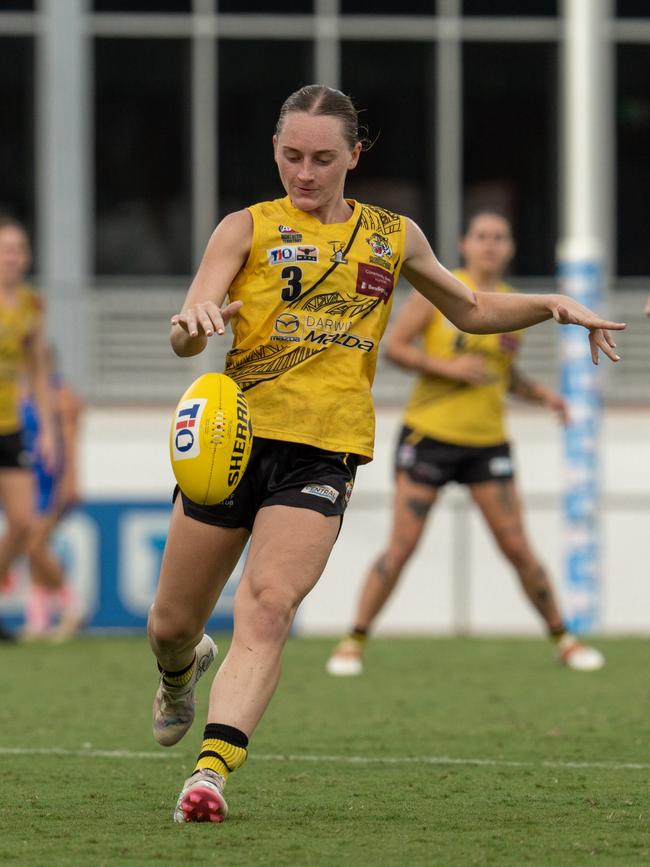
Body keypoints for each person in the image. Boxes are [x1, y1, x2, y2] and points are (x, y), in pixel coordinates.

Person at [146, 84, 624, 825]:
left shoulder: (393, 235)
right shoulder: (244, 228)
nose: (305, 173)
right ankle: (179, 673)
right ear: (275, 151)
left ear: (354, 156)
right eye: (292, 156)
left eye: (323, 158)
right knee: (171, 624)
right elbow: (189, 324)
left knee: (268, 605)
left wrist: (552, 306)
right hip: (230, 442)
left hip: (324, 452)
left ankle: (210, 774)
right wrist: (191, 324)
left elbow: (468, 308)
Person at [326, 211, 604, 678]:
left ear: (510, 247)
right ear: (465, 244)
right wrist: (448, 369)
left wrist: (543, 396)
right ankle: (353, 641)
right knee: (402, 546)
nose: (490, 245)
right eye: (482, 237)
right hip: (428, 436)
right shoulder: (443, 290)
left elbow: (502, 372)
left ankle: (565, 639)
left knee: (517, 546)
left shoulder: (515, 307)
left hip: (486, 444)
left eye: (500, 237)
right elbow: (395, 347)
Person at [0, 216, 55, 641]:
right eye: (4, 249)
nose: (11, 257)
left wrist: (49, 431)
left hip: (11, 426)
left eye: (17, 249)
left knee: (23, 523)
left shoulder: (32, 305)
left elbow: (38, 370)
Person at [21, 347, 83, 641]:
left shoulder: (61, 394)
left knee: (34, 546)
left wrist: (71, 479)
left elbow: (71, 441)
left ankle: (71, 605)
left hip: (53, 484)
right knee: (35, 549)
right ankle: (39, 619)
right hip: (31, 484)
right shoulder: (27, 395)